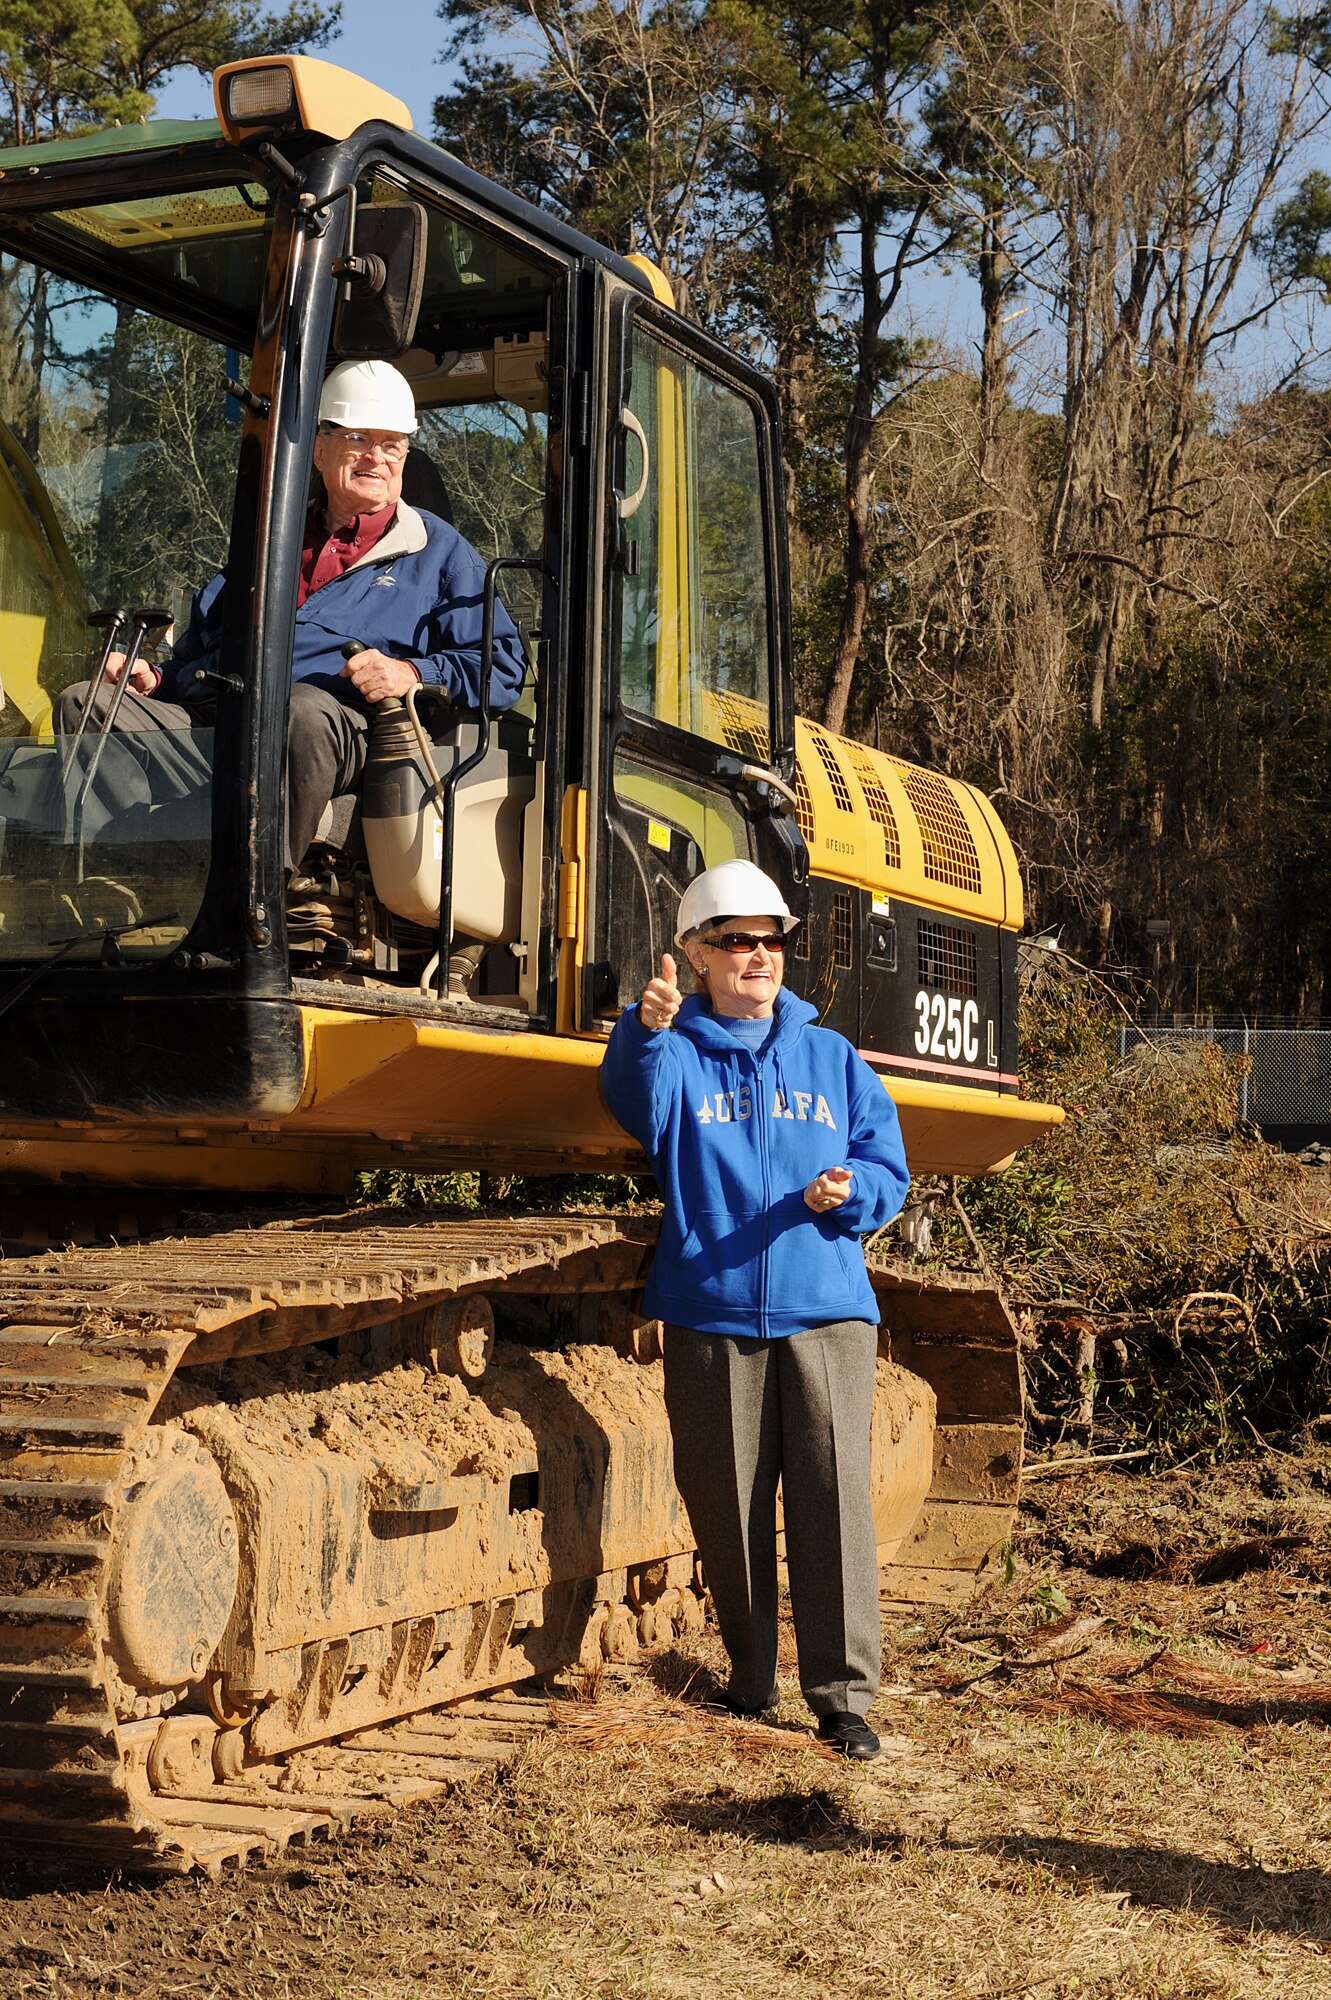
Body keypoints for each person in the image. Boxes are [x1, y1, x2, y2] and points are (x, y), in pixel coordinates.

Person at [600, 858, 911, 1760]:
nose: (758, 955)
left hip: (825, 1308)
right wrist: (645, 1031)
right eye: (734, 941)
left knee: (831, 1501)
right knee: (728, 1503)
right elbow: (635, 1104)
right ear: (695, 954)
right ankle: (750, 1675)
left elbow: (887, 1166)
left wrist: (852, 1192)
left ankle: (842, 1698)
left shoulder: (831, 1056)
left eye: (770, 940)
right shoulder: (675, 1051)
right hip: (710, 1307)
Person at [55, 359, 528, 873]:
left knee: (301, 709)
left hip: (337, 732)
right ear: (320, 449)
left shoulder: (438, 552)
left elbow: (500, 667)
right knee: (87, 706)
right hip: (224, 721)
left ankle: (253, 902)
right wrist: (157, 677)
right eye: (358, 439)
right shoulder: (267, 543)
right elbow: (199, 652)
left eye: (391, 444)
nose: (376, 458)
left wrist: (408, 672)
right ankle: (118, 875)